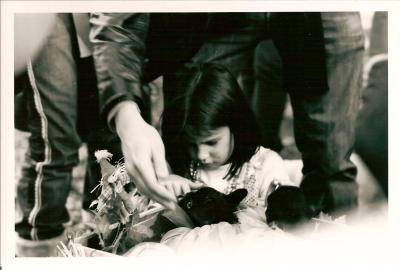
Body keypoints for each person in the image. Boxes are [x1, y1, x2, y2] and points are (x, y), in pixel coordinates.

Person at [90, 12, 364, 217]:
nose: (203, 153)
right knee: (188, 130)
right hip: (216, 14)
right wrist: (125, 112)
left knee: (331, 163)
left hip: (316, 12)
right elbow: (117, 23)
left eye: (211, 144)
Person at [160, 63, 293, 208]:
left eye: (211, 142)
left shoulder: (266, 168)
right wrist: (163, 190)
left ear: (236, 125)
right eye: (191, 143)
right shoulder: (175, 166)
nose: (201, 155)